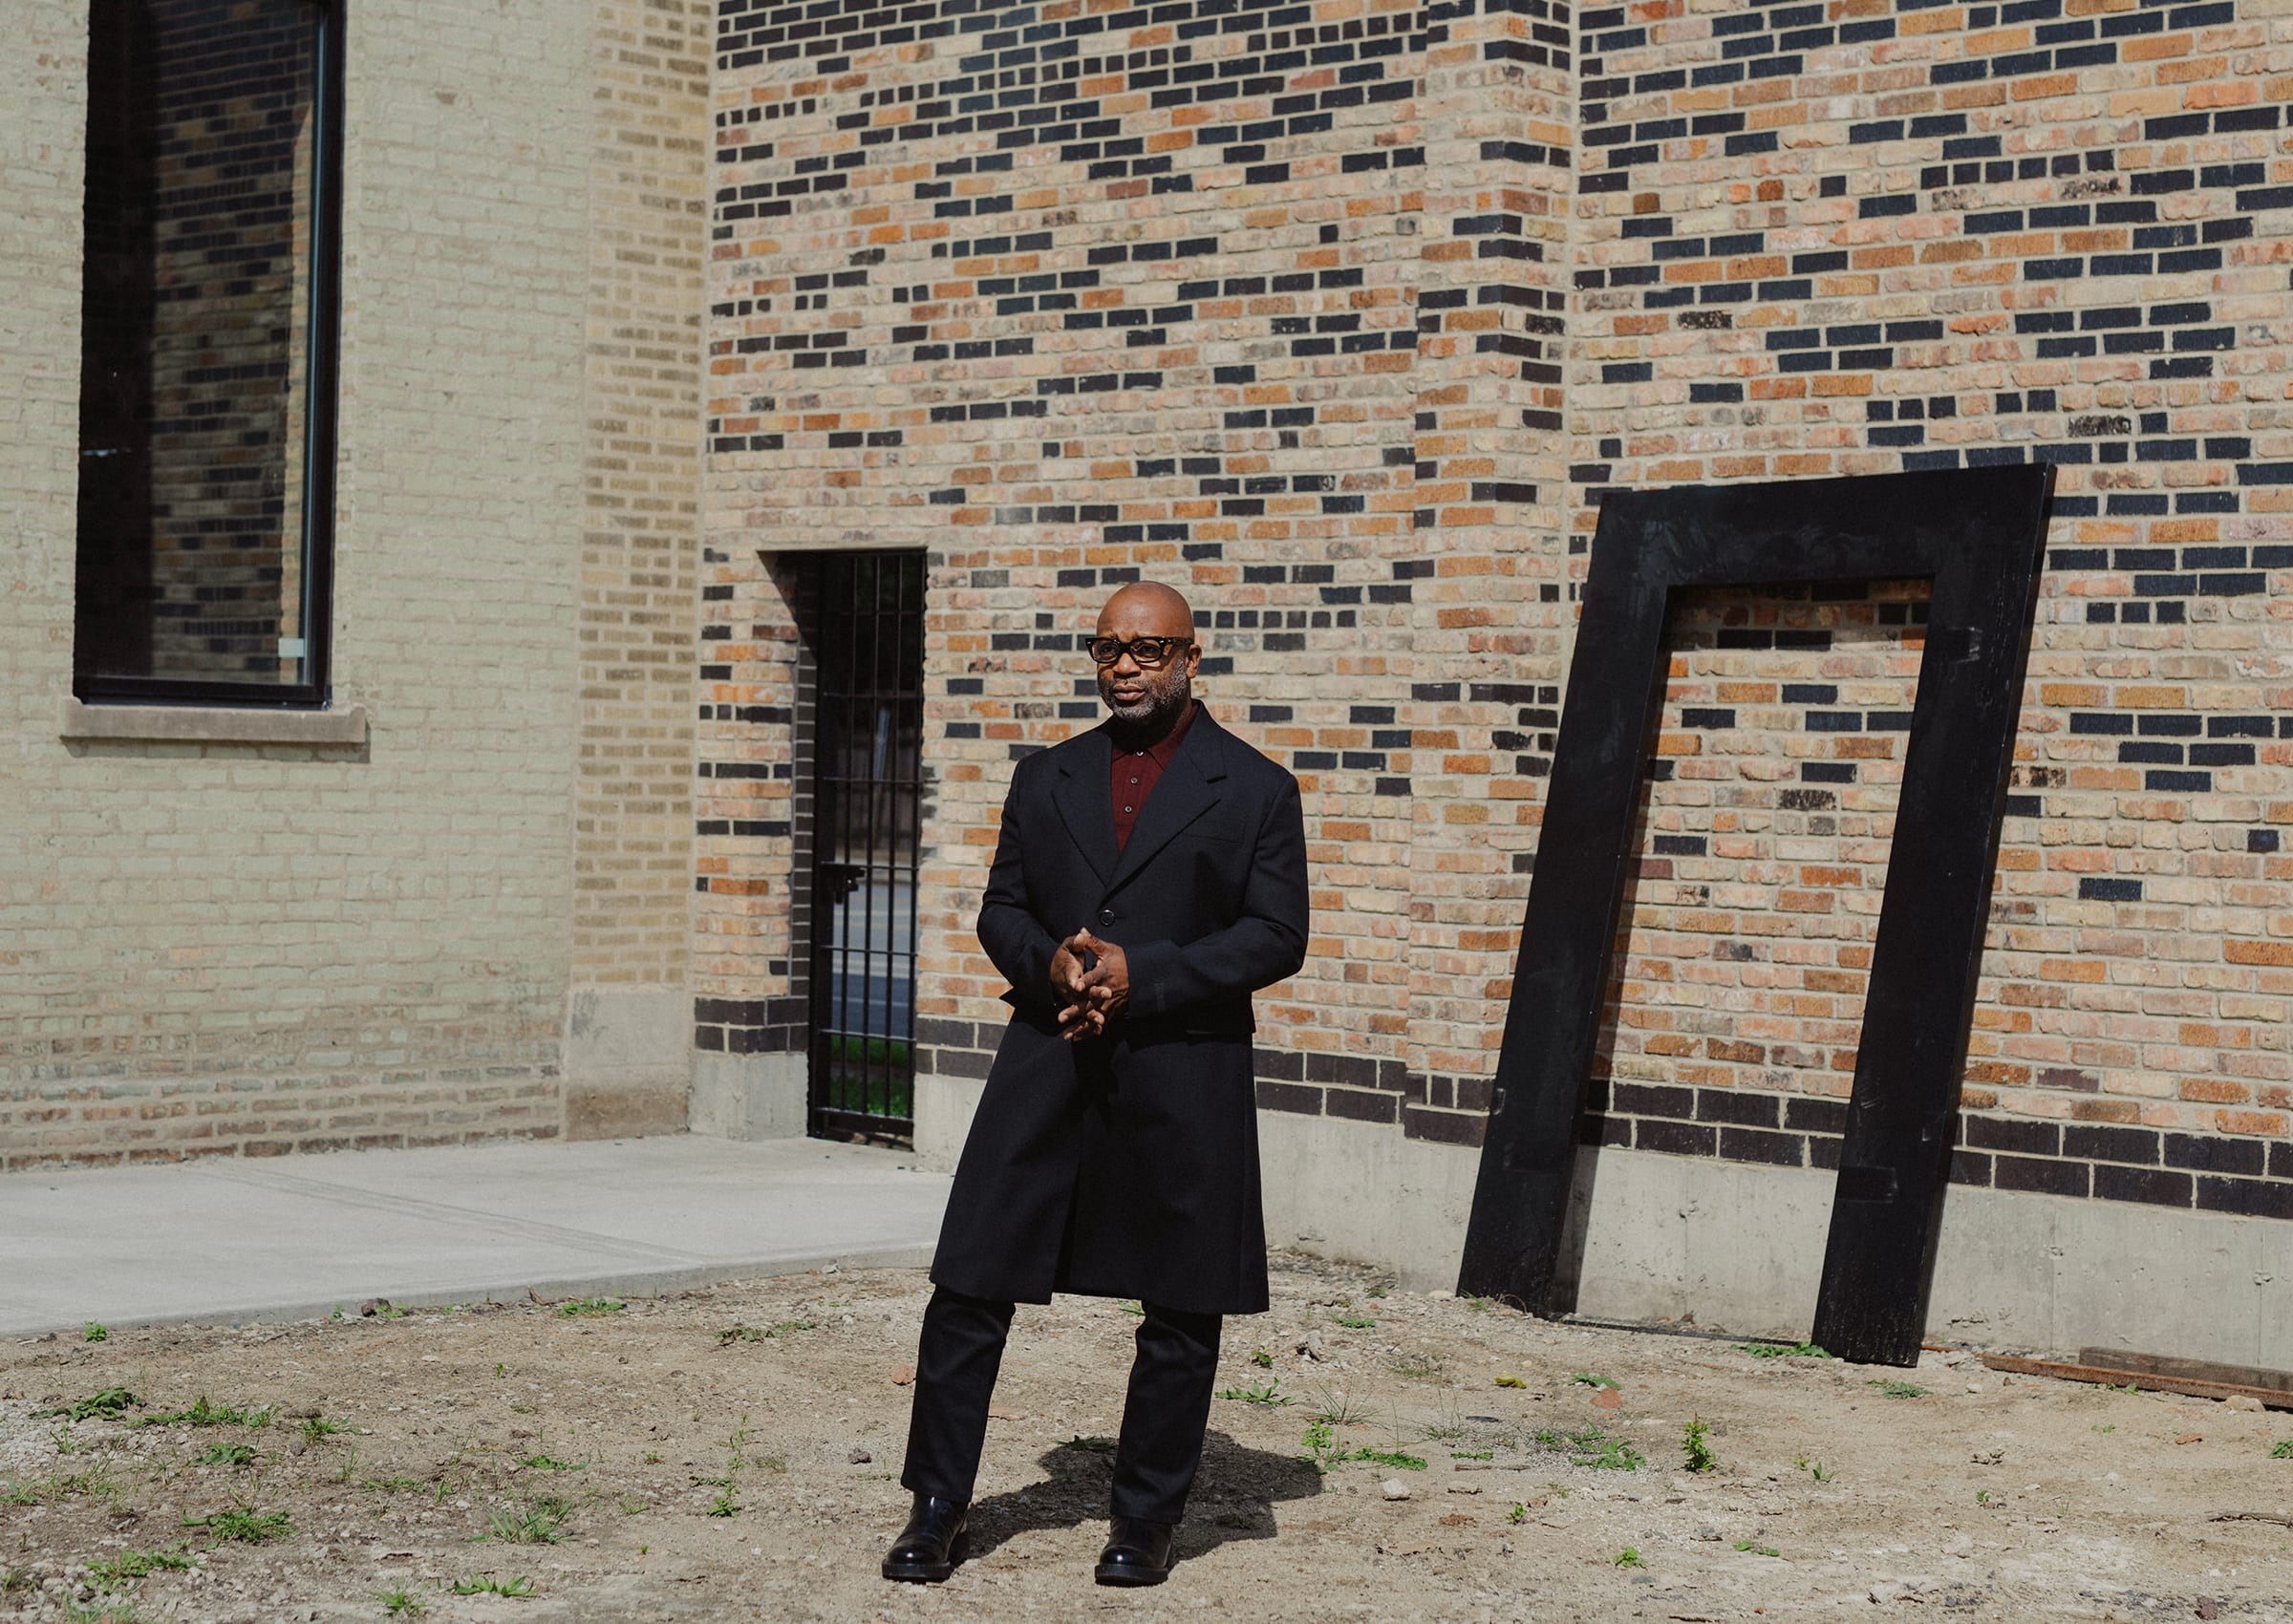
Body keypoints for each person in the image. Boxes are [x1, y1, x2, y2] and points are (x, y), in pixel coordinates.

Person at [881, 580, 1310, 1588]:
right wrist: (1051, 964)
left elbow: (1277, 933)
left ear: (1191, 657)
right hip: (1049, 1053)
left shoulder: (1254, 788)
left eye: (1149, 649)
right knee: (970, 1280)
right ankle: (936, 1505)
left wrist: (1141, 973)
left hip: (1182, 1066)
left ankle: (1146, 1517)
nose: (1126, 666)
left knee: (1180, 1304)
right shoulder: (1048, 775)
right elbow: (1003, 905)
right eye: (1109, 648)